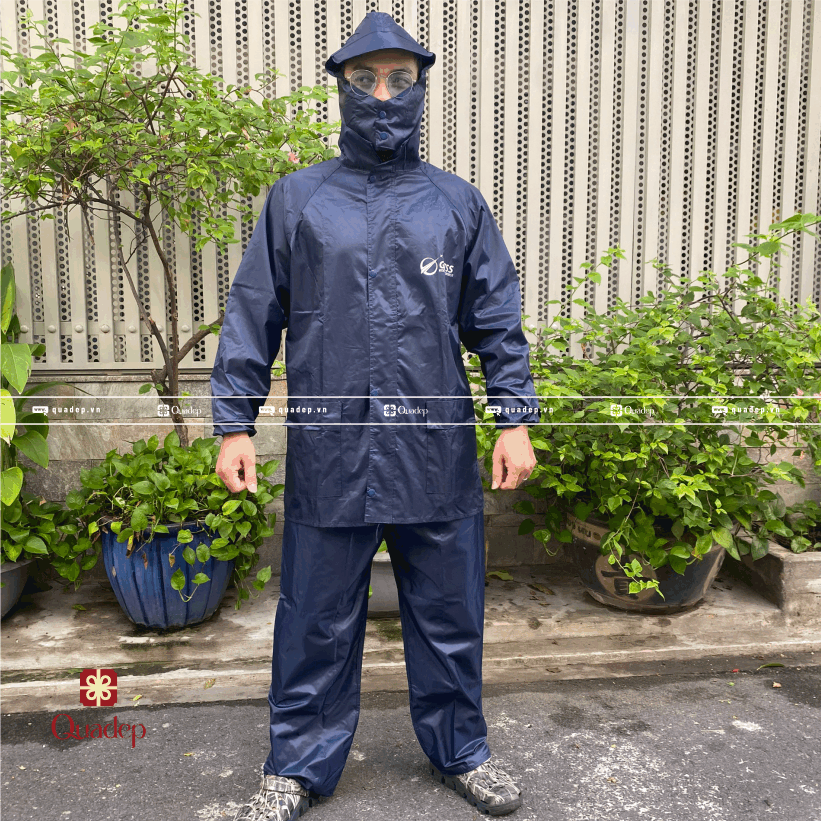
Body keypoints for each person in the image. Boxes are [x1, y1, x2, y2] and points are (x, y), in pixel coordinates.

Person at [210, 11, 540, 821]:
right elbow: (254, 312)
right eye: (365, 80)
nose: (382, 95)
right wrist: (234, 423)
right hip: (333, 451)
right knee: (315, 616)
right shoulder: (298, 201)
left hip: (434, 449)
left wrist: (514, 418)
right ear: (342, 89)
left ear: (421, 88)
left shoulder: (456, 205)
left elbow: (496, 319)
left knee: (449, 610)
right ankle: (297, 764)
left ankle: (463, 748)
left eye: (399, 79)